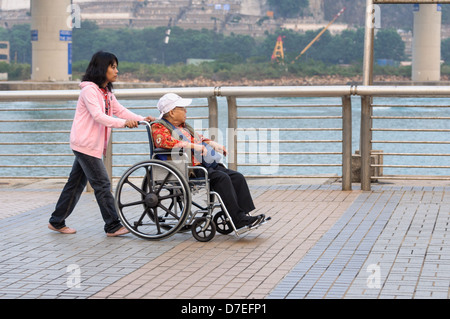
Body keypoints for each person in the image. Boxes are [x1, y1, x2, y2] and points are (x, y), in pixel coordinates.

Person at [48, 51, 156, 237]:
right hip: (85, 144)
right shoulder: (89, 91)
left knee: (75, 185)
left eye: (116, 67)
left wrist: (142, 119)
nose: (117, 71)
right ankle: (112, 225)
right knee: (102, 184)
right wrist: (124, 124)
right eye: (112, 67)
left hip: (90, 144)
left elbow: (119, 110)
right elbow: (98, 116)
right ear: (101, 68)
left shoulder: (106, 92)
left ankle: (57, 221)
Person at [151, 93, 265, 229]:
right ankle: (238, 218)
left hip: (203, 164)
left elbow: (198, 138)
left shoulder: (183, 127)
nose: (186, 111)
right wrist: (193, 146)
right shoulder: (159, 127)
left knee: (237, 177)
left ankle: (243, 216)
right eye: (183, 108)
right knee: (222, 178)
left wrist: (212, 143)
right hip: (187, 170)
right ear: (172, 112)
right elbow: (165, 141)